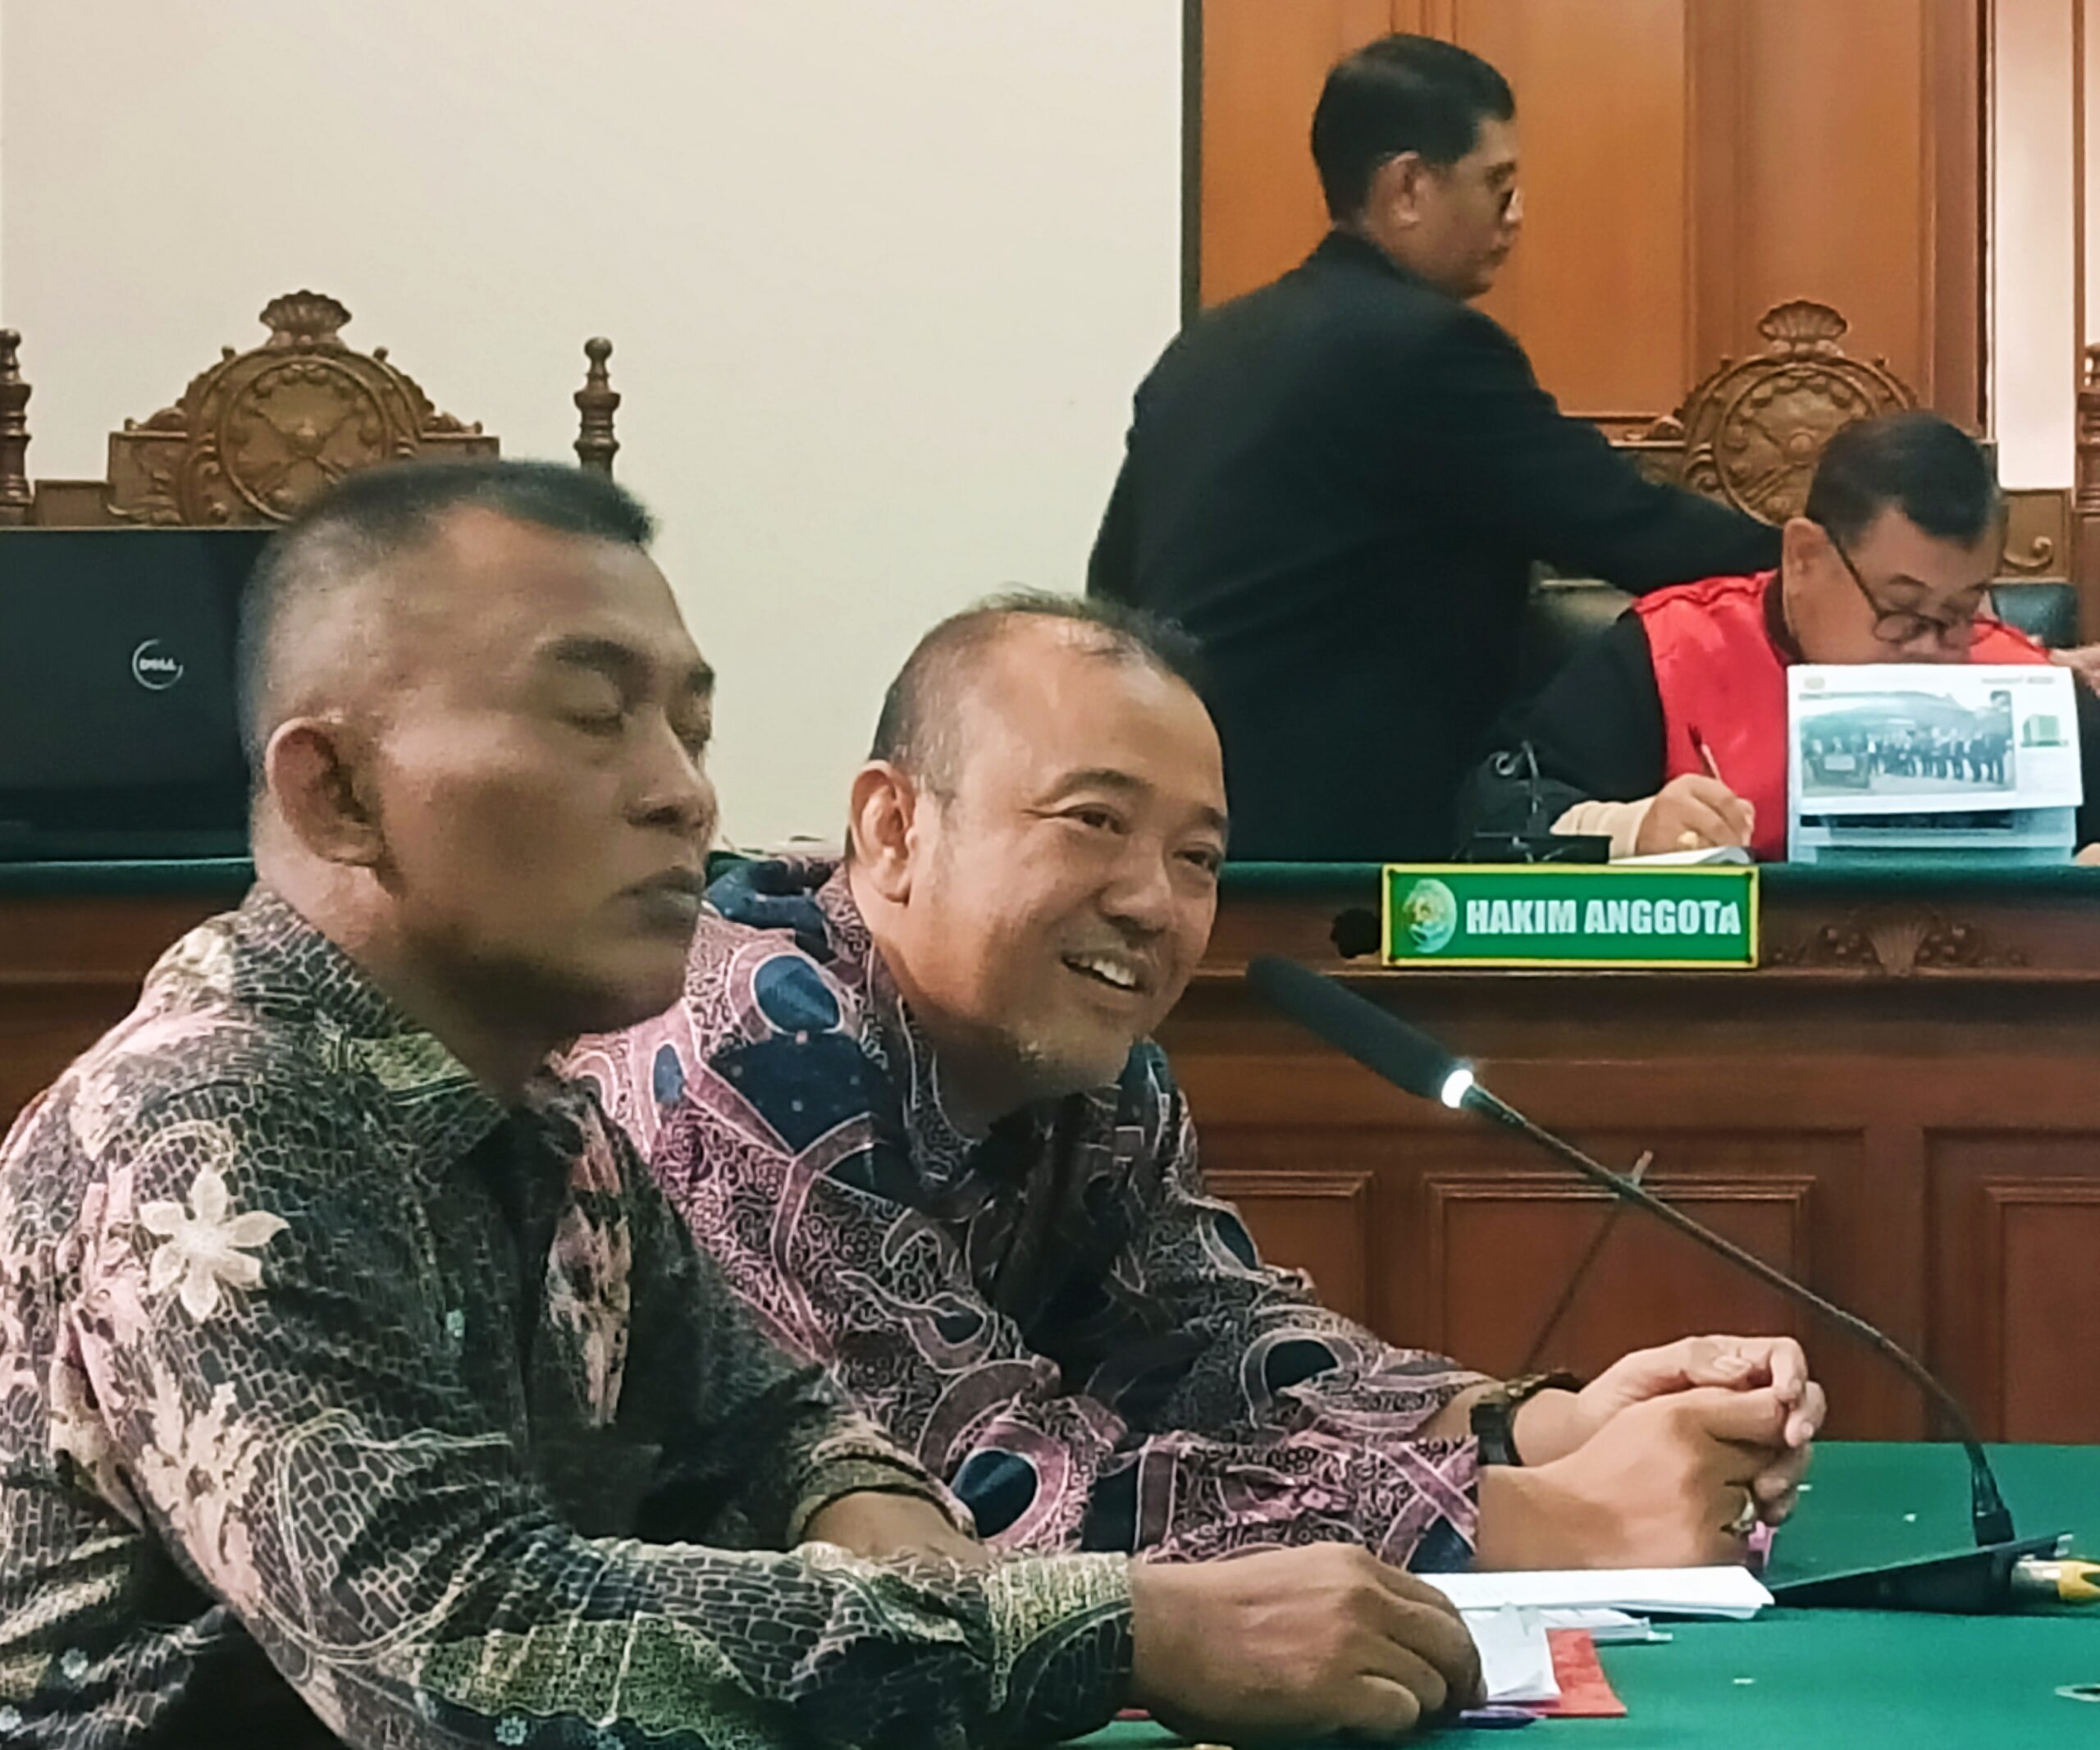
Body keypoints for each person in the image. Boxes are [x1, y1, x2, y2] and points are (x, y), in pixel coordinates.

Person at [0, 467, 1486, 1749]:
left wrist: (875, 1520)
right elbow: (468, 1643)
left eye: (690, 731)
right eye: (594, 718)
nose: (682, 795)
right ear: (336, 793)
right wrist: (1118, 1629)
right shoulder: (210, 1121)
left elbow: (784, 1428)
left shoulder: (545, 1120)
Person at [573, 592, 1824, 1583]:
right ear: (894, 830)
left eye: (1199, 857)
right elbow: (971, 1502)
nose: (1153, 904)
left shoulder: (1089, 1063)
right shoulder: (746, 1050)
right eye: (1093, 822)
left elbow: (1214, 1342)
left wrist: (1535, 1425)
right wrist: (1535, 1523)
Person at [1086, 33, 1780, 862]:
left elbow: (1112, 590)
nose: (1515, 216)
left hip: (1185, 827)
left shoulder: (1202, 350)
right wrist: (1819, 571)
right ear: (1409, 186)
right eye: (1498, 185)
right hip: (1353, 847)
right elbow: (1627, 526)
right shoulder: (1430, 352)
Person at [1463, 411, 2100, 859]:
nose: (1934, 649)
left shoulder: (2028, 687)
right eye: (1903, 611)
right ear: (1803, 557)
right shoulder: (1671, 655)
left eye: (1960, 612)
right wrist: (1631, 828)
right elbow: (1495, 811)